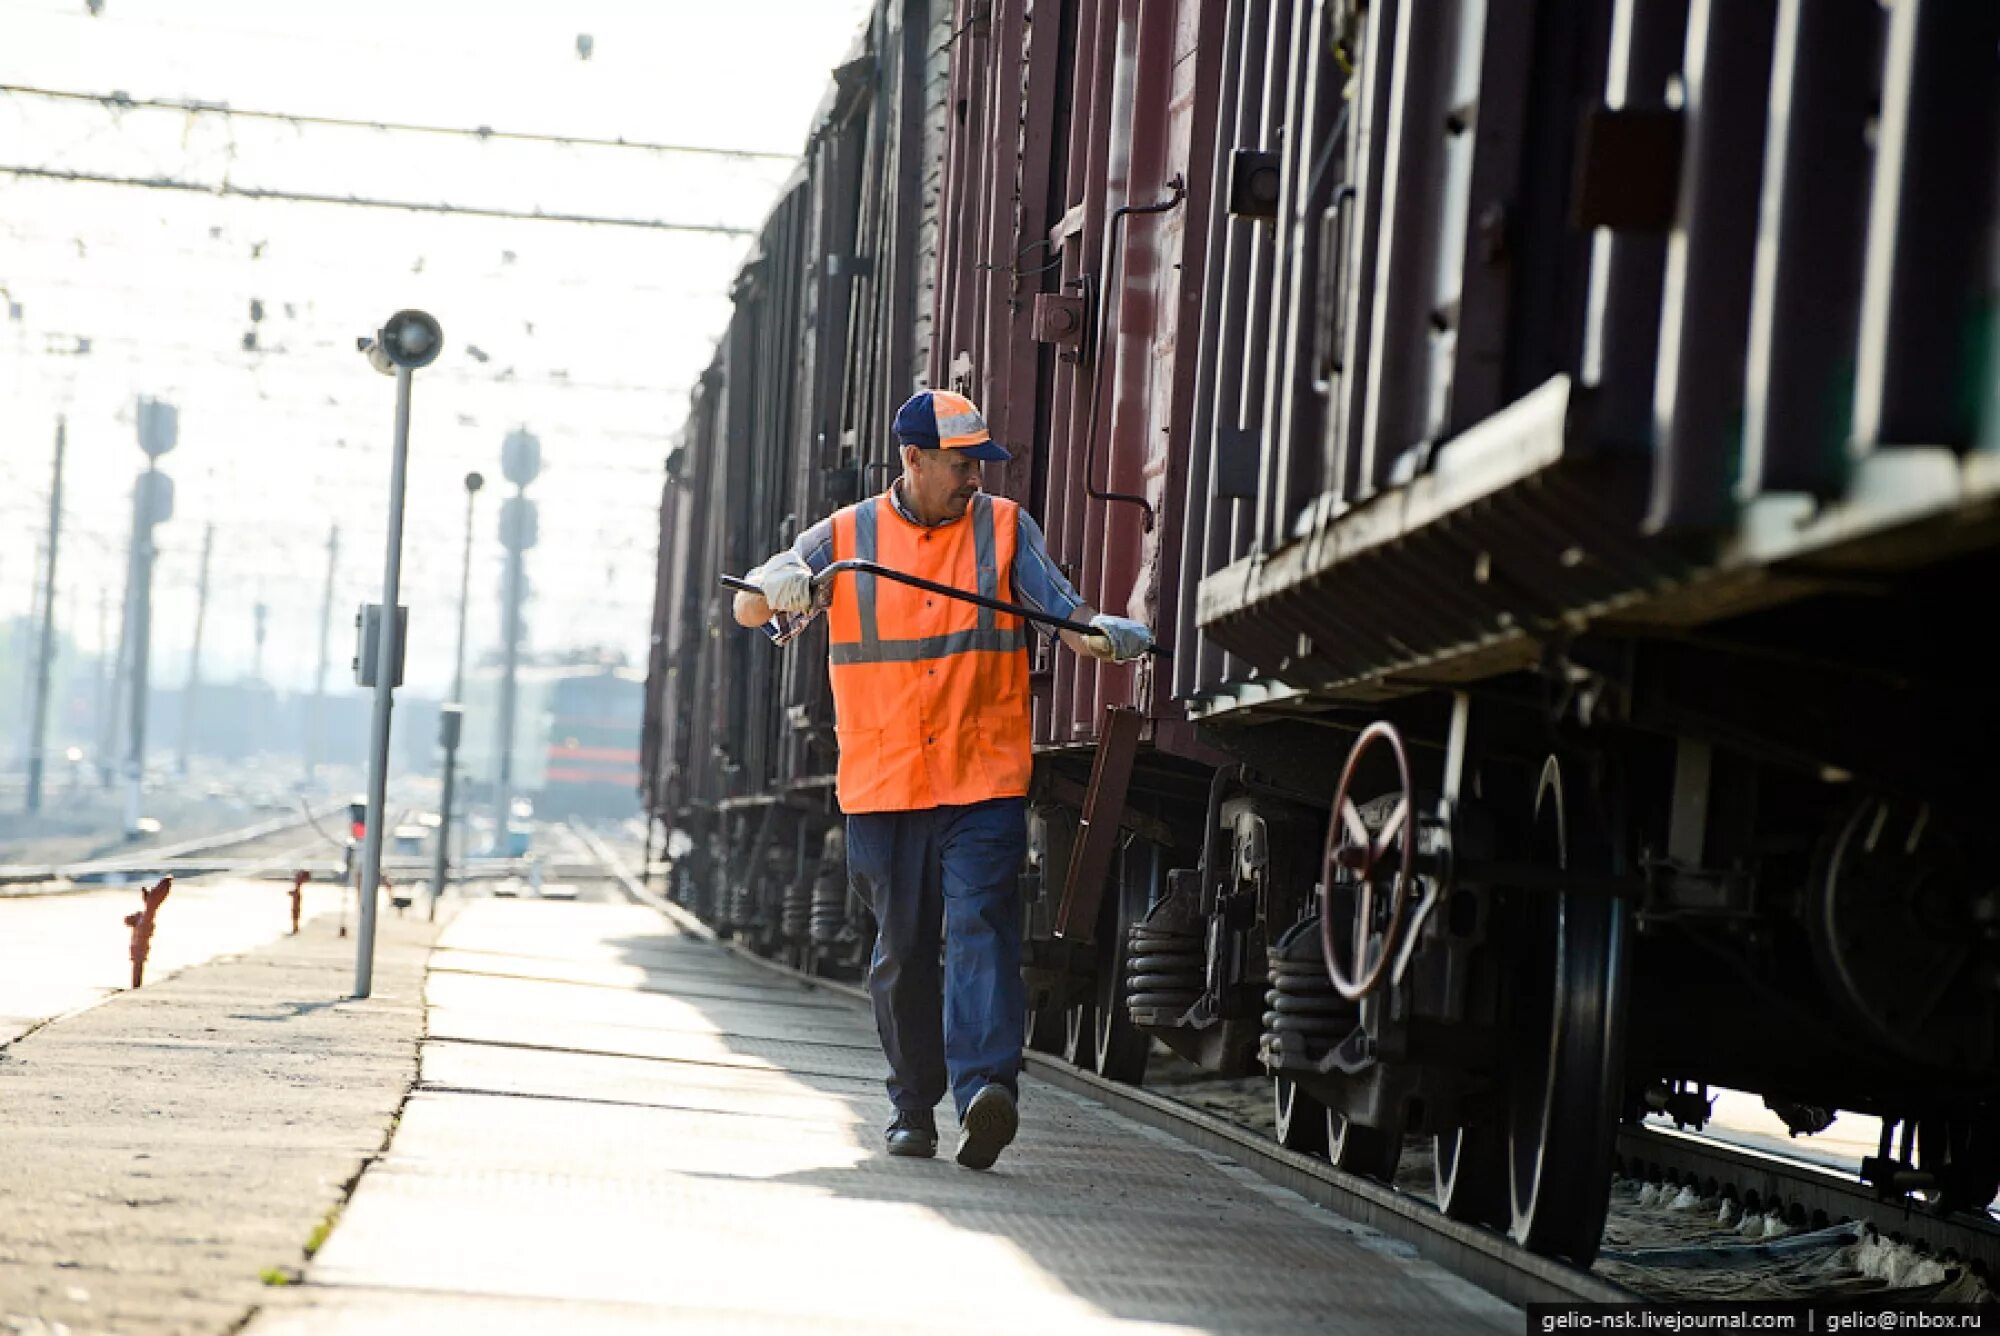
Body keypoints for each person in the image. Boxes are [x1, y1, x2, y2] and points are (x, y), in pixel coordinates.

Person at [732, 389, 1152, 1171]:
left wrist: (1107, 636)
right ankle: (912, 1107)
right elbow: (753, 610)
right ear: (914, 459)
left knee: (981, 928)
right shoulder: (847, 535)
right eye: (962, 465)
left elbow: (1065, 614)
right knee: (902, 951)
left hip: (981, 777)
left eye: (980, 465)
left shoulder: (1001, 527)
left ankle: (987, 1091)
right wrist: (780, 582)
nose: (974, 479)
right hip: (884, 785)